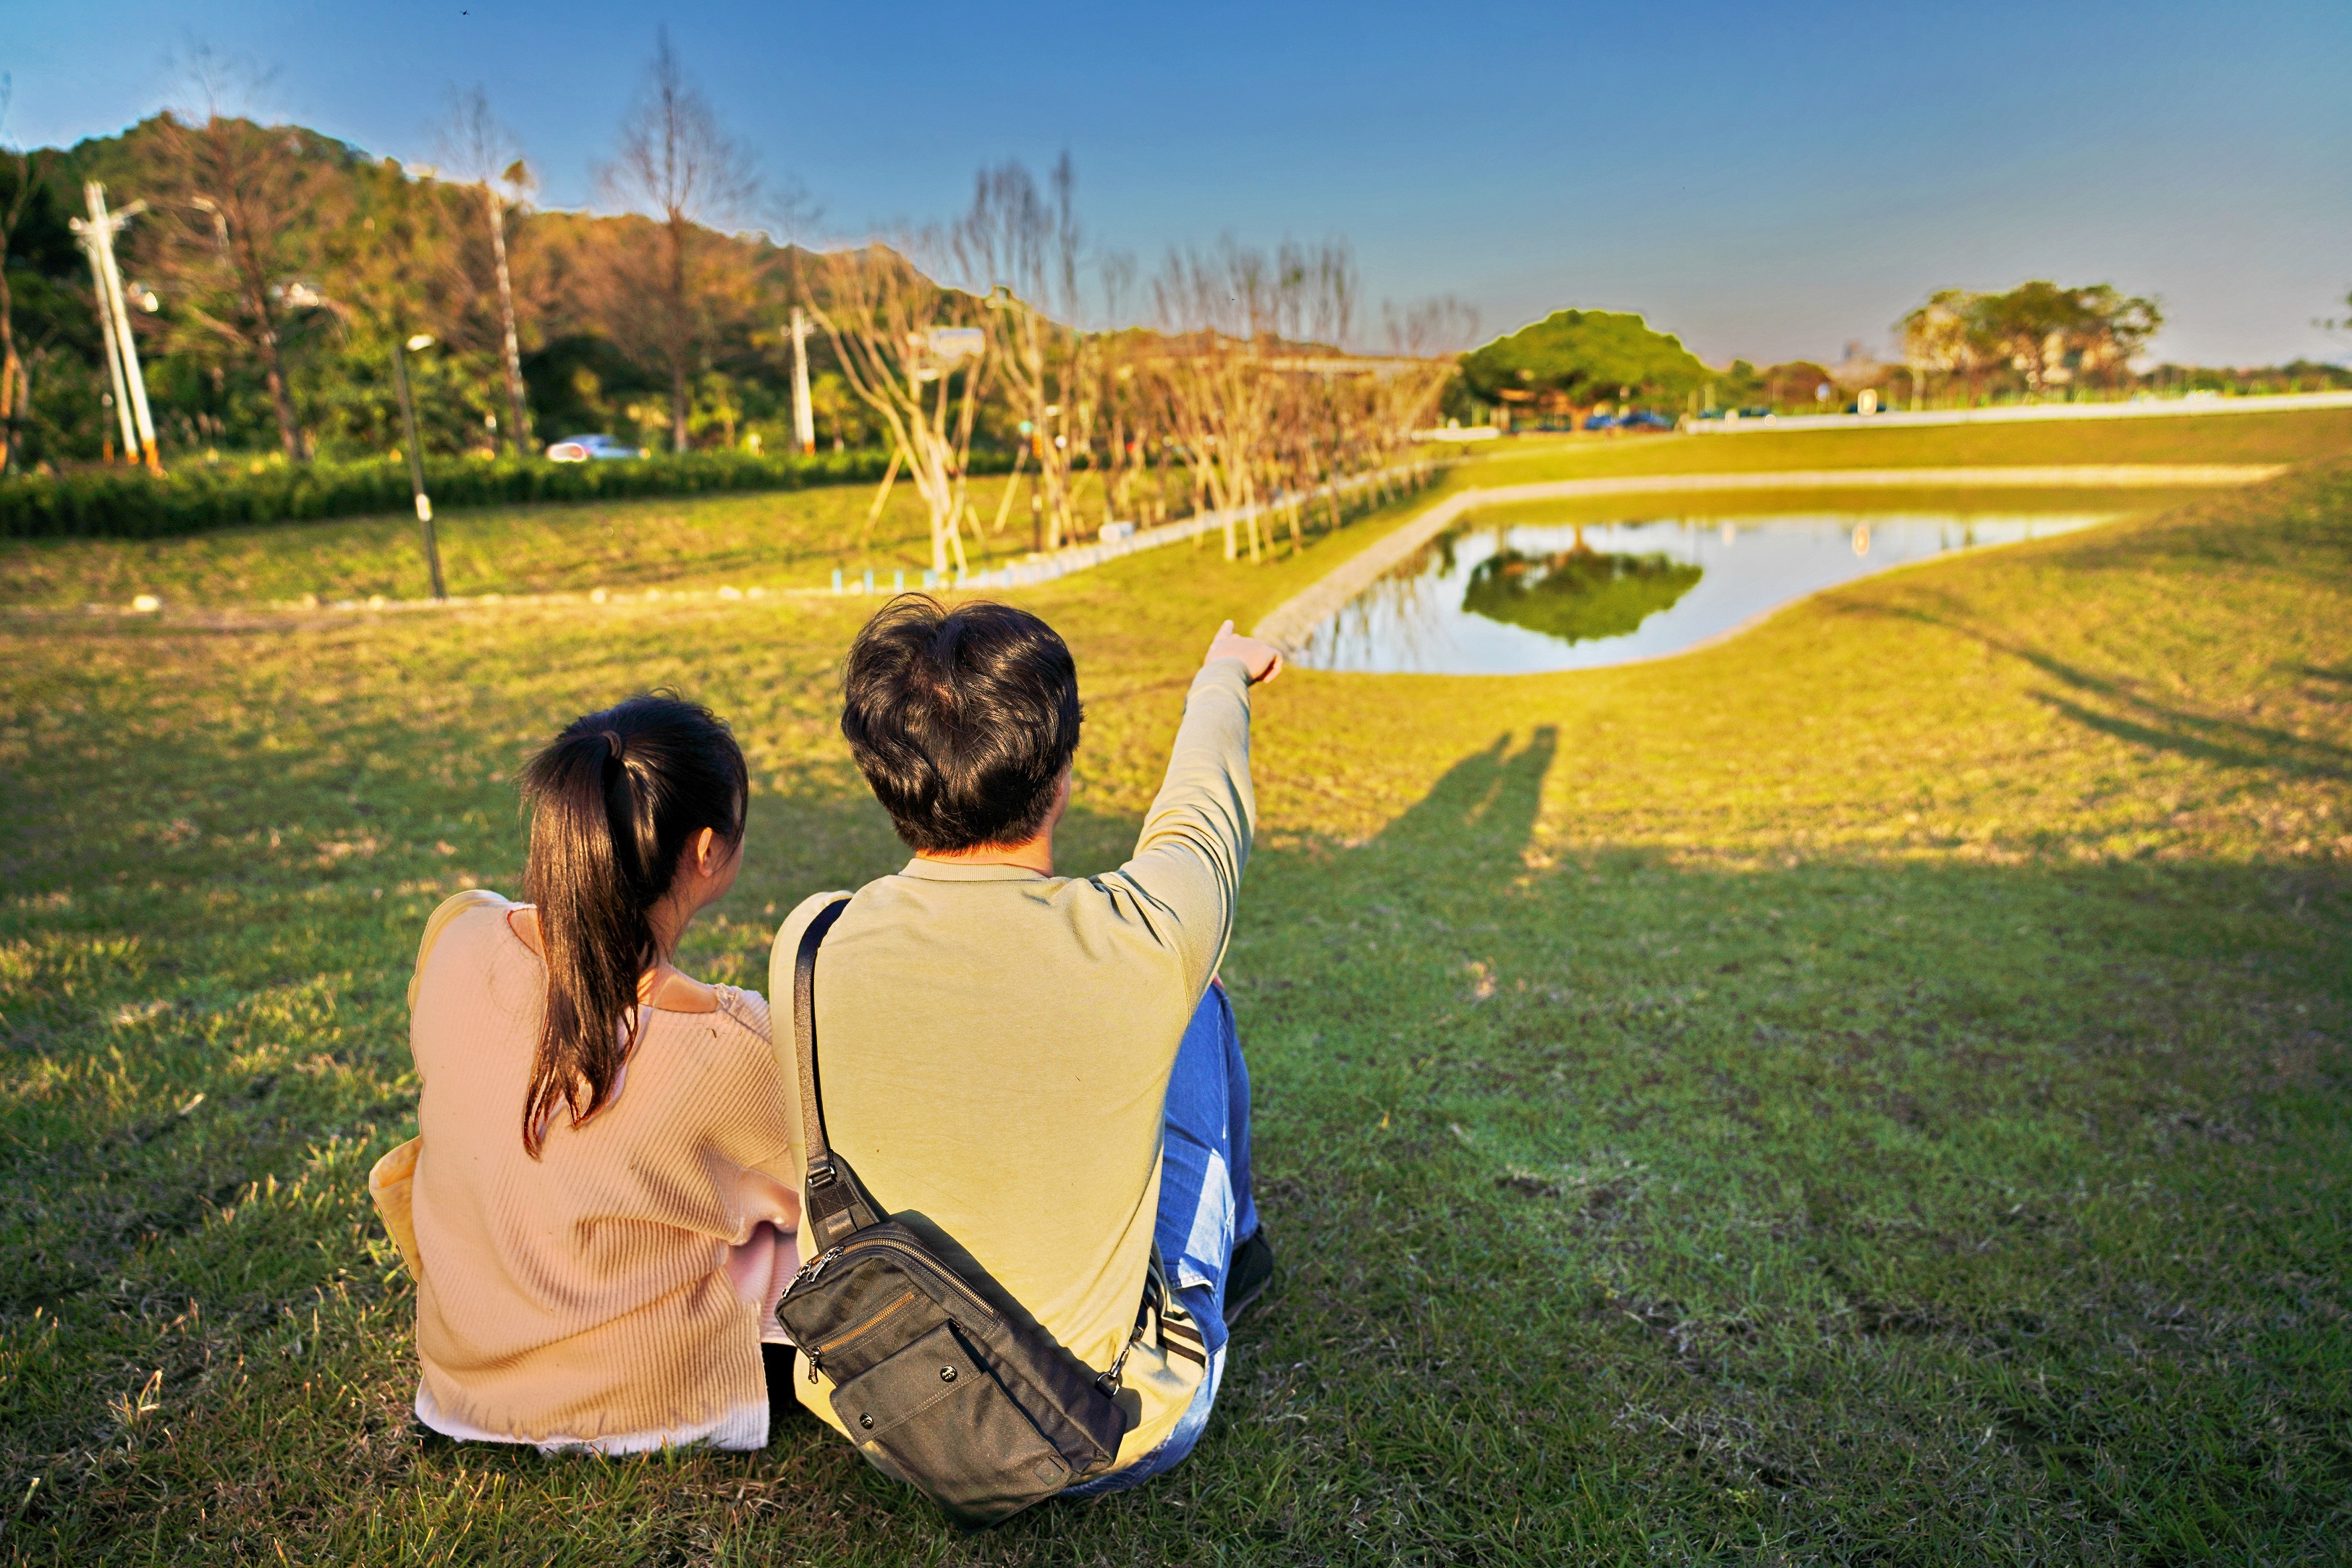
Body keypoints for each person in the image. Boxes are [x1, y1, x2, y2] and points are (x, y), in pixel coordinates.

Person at [769, 598, 1280, 1491]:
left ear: (886, 776)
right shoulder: (1146, 938)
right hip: (1110, 1430)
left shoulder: (810, 943)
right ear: (1062, 770)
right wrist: (1221, 677)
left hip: (886, 1419)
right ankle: (1236, 1261)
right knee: (1198, 1003)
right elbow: (1202, 812)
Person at [368, 693, 804, 1452]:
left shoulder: (460, 931)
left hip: (458, 1386)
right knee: (800, 1222)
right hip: (646, 1403)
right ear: (707, 850)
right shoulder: (730, 1040)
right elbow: (826, 1192)